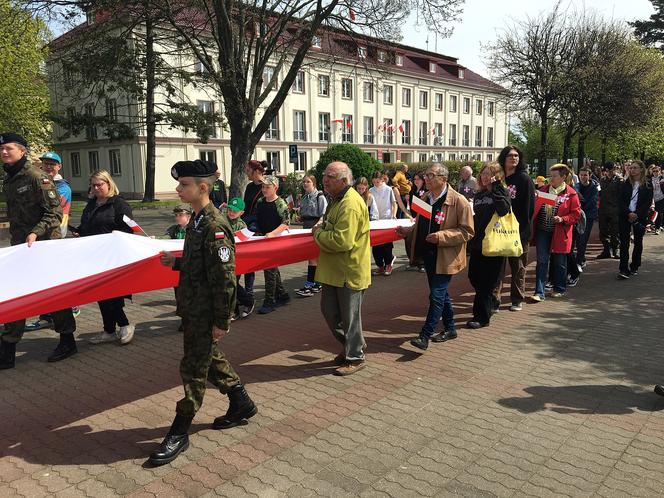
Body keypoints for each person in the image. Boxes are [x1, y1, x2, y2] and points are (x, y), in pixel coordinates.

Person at [150, 160, 257, 466]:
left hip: (207, 312)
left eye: (184, 184)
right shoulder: (196, 221)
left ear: (203, 188)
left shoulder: (214, 225)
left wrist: (223, 320)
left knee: (192, 369)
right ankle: (241, 403)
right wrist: (177, 263)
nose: (178, 189)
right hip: (193, 308)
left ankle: (179, 431)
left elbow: (225, 278)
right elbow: (202, 266)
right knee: (209, 359)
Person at [0, 133, 78, 369]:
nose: (4, 152)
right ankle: (9, 345)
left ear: (22, 151)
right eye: (1, 149)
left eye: (8, 148)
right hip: (21, 246)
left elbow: (54, 212)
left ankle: (67, 339)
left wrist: (35, 232)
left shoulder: (37, 177)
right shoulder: (9, 179)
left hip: (43, 244)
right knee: (18, 290)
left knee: (52, 294)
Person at [397, 163, 474, 350]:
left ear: (444, 179)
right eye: (426, 175)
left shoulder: (459, 201)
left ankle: (425, 335)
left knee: (436, 295)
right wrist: (407, 231)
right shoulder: (425, 197)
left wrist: (441, 236)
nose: (427, 179)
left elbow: (467, 232)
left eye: (431, 175)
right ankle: (450, 328)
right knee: (441, 294)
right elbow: (419, 223)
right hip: (428, 254)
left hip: (445, 256)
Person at [312, 161, 371, 376]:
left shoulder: (350, 204)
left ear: (344, 181)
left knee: (350, 318)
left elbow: (342, 241)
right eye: (324, 175)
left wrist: (317, 233)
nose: (325, 180)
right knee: (330, 312)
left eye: (330, 176)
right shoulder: (336, 199)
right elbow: (331, 227)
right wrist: (323, 227)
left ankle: (355, 357)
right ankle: (352, 346)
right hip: (334, 271)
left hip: (348, 272)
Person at [75, 170, 136, 345]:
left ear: (109, 184)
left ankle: (124, 325)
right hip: (94, 256)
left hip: (113, 256)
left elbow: (129, 228)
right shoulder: (91, 204)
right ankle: (109, 330)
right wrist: (79, 231)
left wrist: (116, 234)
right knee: (100, 293)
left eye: (99, 184)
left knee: (111, 293)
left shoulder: (118, 204)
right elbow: (86, 225)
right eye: (93, 185)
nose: (96, 188)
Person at [25, 151, 81, 332]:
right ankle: (50, 314)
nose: (48, 167)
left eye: (52, 164)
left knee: (52, 277)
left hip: (55, 235)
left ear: (59, 167)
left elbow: (52, 208)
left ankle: (66, 308)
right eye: (45, 163)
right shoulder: (39, 182)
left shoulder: (62, 187)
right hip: (41, 235)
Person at [467, 162, 511, 329]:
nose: (485, 177)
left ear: (497, 176)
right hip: (478, 243)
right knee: (474, 277)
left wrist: (497, 187)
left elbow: (503, 210)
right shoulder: (478, 195)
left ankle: (481, 317)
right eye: (483, 173)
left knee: (486, 283)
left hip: (495, 243)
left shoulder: (502, 192)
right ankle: (491, 300)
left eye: (489, 174)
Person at [493, 146, 535, 312]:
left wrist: (523, 230)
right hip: (498, 230)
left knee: (518, 267)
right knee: (497, 268)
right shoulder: (498, 179)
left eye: (517, 156)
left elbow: (529, 207)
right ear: (503, 158)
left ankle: (517, 299)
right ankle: (494, 300)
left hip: (518, 231)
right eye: (510, 155)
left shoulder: (524, 179)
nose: (514, 158)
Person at [531, 164, 581, 301]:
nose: (550, 178)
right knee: (542, 261)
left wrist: (562, 219)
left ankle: (559, 288)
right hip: (543, 231)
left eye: (554, 176)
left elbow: (575, 215)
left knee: (559, 261)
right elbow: (535, 209)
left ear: (563, 177)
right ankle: (539, 292)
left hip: (560, 232)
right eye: (550, 175)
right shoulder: (544, 190)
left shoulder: (571, 194)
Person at [255, 175, 291, 314]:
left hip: (275, 240)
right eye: (263, 187)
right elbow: (258, 218)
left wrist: (273, 233)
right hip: (263, 239)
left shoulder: (280, 203)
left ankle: (269, 301)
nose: (264, 189)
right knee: (271, 269)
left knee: (269, 269)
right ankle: (282, 295)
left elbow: (286, 223)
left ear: (275, 188)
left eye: (267, 187)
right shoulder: (260, 202)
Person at [617, 160, 653, 279]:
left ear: (641, 169)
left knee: (638, 241)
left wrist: (637, 214)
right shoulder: (625, 183)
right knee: (624, 241)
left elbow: (647, 202)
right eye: (631, 168)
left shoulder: (647, 184)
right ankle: (623, 268)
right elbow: (620, 200)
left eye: (635, 168)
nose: (632, 170)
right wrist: (628, 213)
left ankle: (635, 265)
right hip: (625, 215)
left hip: (639, 216)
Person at [295, 174, 328, 297]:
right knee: (313, 257)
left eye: (308, 181)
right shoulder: (304, 198)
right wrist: (299, 217)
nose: (305, 184)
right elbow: (304, 213)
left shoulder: (320, 197)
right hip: (306, 228)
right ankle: (317, 283)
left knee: (313, 257)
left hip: (316, 229)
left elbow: (323, 214)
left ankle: (310, 283)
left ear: (313, 183)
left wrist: (317, 226)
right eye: (304, 181)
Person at [225, 197, 255, 319]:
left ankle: (248, 302)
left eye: (235, 211)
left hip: (236, 259)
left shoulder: (241, 225)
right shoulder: (223, 220)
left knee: (233, 283)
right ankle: (235, 309)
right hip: (224, 257)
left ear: (241, 213)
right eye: (230, 209)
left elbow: (243, 243)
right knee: (229, 284)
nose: (231, 213)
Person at [241, 160, 266, 295]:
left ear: (256, 171)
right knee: (246, 259)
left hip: (259, 228)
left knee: (268, 265)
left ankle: (277, 293)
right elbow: (245, 207)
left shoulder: (266, 186)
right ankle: (247, 292)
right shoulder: (250, 186)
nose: (246, 173)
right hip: (247, 226)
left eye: (248, 170)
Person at [369, 171, 397, 275]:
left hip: (386, 219)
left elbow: (394, 203)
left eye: (378, 182)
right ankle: (380, 266)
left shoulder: (388, 189)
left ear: (382, 180)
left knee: (386, 245)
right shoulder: (371, 190)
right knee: (376, 245)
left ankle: (389, 264)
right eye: (374, 182)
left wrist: (393, 215)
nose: (376, 183)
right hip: (375, 219)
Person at [597, 162, 622, 259]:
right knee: (603, 231)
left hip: (615, 209)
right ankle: (606, 250)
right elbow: (599, 193)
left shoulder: (620, 180)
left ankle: (615, 249)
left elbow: (622, 195)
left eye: (610, 170)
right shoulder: (602, 180)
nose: (608, 173)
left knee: (615, 231)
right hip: (603, 209)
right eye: (606, 171)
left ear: (614, 170)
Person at [575, 168, 599, 269]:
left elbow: (592, 202)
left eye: (585, 175)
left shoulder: (594, 188)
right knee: (577, 239)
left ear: (589, 175)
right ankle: (582, 258)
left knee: (583, 239)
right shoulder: (576, 186)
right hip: (577, 216)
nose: (583, 177)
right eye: (581, 175)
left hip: (588, 216)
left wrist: (580, 208)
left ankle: (579, 261)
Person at [649, 164, 664, 234]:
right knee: (653, 213)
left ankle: (657, 228)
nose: (655, 172)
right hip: (653, 199)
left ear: (659, 171)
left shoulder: (662, 178)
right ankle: (653, 225)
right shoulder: (650, 179)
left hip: (661, 198)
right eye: (654, 171)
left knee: (659, 213)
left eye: (657, 171)